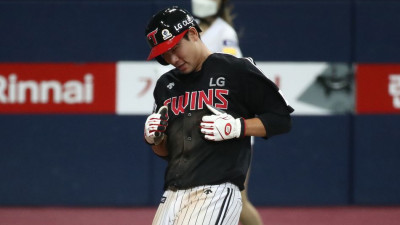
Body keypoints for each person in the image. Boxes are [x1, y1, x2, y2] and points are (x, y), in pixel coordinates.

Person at [143, 6, 294, 225]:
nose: (172, 58)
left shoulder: (236, 70)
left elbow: (281, 119)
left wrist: (237, 127)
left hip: (215, 191)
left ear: (193, 34)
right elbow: (167, 152)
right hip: (173, 193)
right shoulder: (166, 85)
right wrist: (155, 139)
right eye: (165, 54)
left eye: (175, 48)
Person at [191, 1, 262, 224]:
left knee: (237, 200)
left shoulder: (224, 32)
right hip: (204, 126)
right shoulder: (191, 29)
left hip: (230, 124)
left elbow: (237, 70)